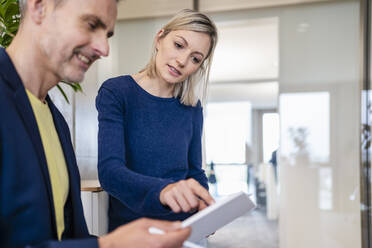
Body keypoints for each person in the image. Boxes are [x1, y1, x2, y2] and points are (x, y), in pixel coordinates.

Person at [0, 0, 190, 247]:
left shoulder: (56, 120)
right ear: (39, 7)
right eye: (91, 25)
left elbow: (62, 237)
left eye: (107, 34)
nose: (104, 48)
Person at [96, 9, 218, 231]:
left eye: (195, 59)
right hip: (133, 231)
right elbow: (110, 173)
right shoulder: (117, 92)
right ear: (160, 38)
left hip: (183, 230)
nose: (182, 61)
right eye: (179, 45)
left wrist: (206, 205)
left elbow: (194, 171)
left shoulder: (192, 107)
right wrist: (164, 190)